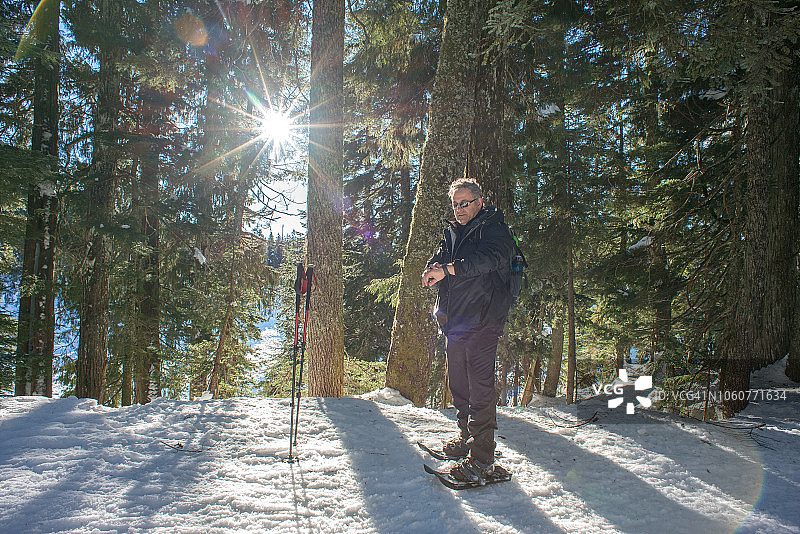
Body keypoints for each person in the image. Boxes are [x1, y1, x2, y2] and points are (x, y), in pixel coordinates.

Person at [421, 178, 515, 484]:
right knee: (459, 381)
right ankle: (466, 439)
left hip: (484, 319)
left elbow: (488, 259)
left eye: (465, 203)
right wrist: (433, 267)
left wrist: (448, 269)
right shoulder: (453, 230)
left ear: (479, 200)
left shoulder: (494, 228)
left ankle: (483, 459)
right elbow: (441, 256)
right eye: (455, 204)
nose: (459, 209)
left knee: (480, 386)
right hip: (456, 320)